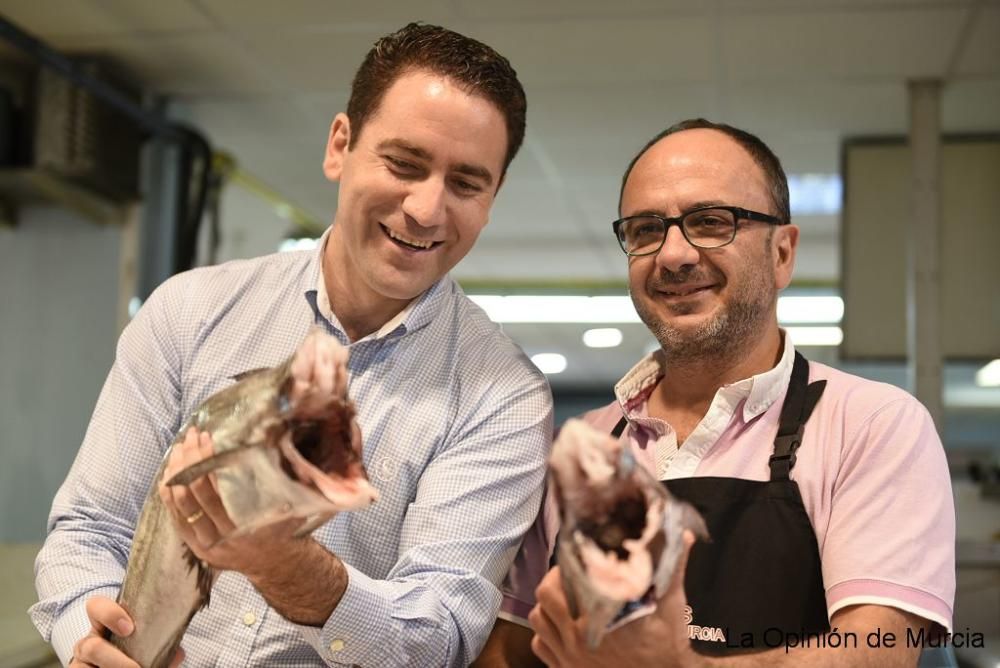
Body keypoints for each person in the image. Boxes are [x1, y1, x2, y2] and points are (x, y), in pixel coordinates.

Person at [30, 23, 553, 668]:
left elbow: (440, 635)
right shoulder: (190, 312)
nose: (425, 208)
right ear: (340, 146)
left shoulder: (504, 396)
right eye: (404, 163)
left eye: (466, 183)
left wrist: (285, 564)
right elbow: (89, 527)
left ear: (492, 198)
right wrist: (90, 627)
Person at [474, 119, 955, 667]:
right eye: (645, 229)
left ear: (782, 253)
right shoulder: (581, 446)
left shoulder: (871, 424)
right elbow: (508, 650)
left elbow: (875, 652)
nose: (673, 254)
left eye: (710, 222)